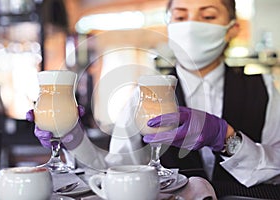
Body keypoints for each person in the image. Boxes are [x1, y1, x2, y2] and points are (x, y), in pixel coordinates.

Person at [27, 0, 280, 191]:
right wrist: (75, 139)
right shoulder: (143, 94)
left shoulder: (265, 88)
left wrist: (227, 139)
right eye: (181, 16)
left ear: (232, 29)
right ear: (170, 27)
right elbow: (114, 169)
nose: (192, 25)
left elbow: (277, 171)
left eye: (208, 15)